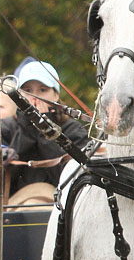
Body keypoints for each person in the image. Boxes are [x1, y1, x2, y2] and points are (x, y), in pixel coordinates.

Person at [7, 60, 88, 205]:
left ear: (56, 95)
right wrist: (26, 128)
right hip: (13, 206)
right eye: (27, 90)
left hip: (62, 205)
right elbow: (4, 178)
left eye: (43, 90)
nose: (34, 97)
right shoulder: (7, 128)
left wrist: (45, 129)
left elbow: (72, 178)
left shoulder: (74, 130)